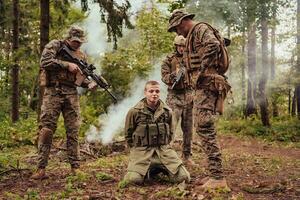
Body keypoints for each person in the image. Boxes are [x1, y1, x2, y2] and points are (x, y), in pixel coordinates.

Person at [168, 10, 231, 190]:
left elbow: (212, 45)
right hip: (204, 86)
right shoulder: (194, 34)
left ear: (183, 21)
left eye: (176, 28)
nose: (177, 33)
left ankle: (218, 177)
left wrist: (201, 71)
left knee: (204, 127)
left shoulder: (200, 29)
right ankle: (214, 174)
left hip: (207, 84)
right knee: (202, 127)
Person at [31, 26, 97, 179]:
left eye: (80, 42)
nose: (78, 44)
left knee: (73, 130)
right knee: (47, 129)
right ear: (68, 38)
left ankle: (75, 167)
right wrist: (67, 65)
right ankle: (41, 169)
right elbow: (45, 61)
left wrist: (89, 84)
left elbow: (79, 79)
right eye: (75, 41)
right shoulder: (55, 45)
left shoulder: (81, 56)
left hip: (71, 94)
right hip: (53, 91)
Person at [122, 80, 190, 185]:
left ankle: (159, 170)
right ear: (145, 93)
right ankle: (143, 170)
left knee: (184, 177)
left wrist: (166, 147)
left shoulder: (167, 112)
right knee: (133, 180)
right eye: (151, 91)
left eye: (157, 91)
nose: (154, 94)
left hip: (163, 152)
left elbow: (171, 134)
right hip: (142, 153)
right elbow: (128, 134)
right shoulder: (134, 112)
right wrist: (136, 150)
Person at [161, 35, 195, 166]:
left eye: (184, 46)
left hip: (189, 96)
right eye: (179, 46)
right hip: (174, 97)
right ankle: (167, 156)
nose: (182, 48)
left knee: (188, 129)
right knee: (170, 127)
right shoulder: (168, 60)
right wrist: (176, 74)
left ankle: (187, 156)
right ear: (175, 46)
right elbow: (164, 77)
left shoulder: (191, 59)